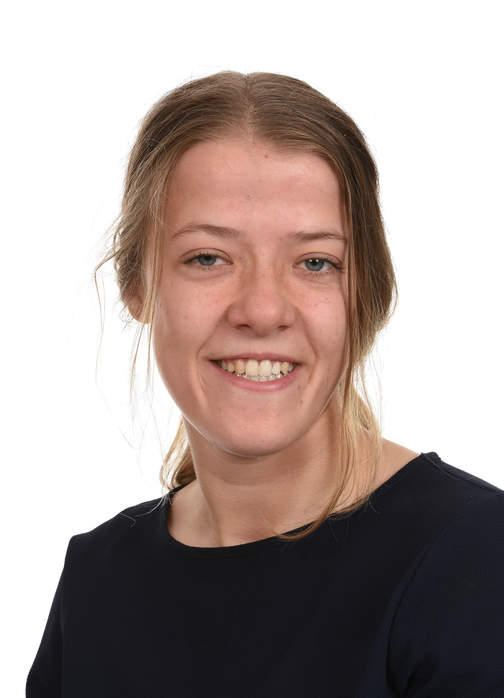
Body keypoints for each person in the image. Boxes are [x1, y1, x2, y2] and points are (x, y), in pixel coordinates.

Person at [26, 71, 504, 697]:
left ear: (365, 294)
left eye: (315, 262)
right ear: (138, 286)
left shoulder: (477, 557)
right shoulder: (95, 581)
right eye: (208, 258)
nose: (262, 309)